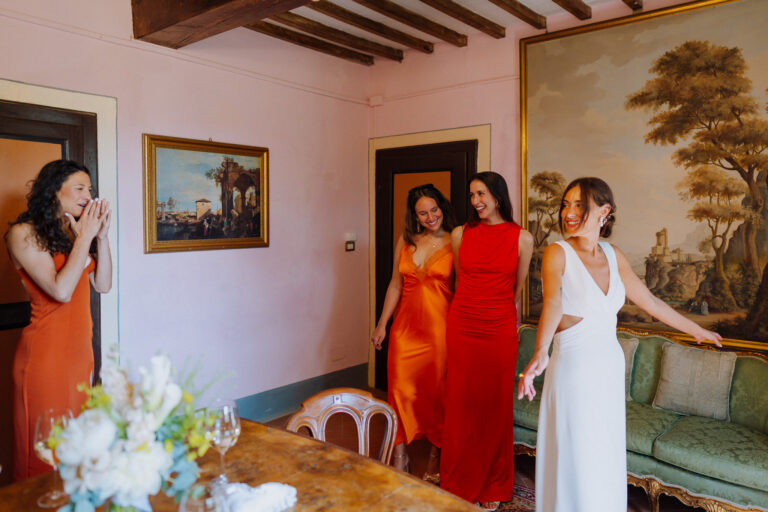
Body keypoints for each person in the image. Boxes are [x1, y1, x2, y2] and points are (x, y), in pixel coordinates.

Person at [518, 177, 722, 512]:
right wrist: (540, 352)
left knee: (602, 451)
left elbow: (651, 303)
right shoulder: (558, 253)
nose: (568, 212)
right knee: (575, 451)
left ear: (604, 211)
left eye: (579, 205)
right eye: (565, 205)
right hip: (573, 368)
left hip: (608, 367)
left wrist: (694, 329)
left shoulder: (614, 255)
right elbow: (552, 304)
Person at [6, 160, 112, 481]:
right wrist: (84, 238)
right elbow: (61, 290)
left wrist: (101, 238)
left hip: (81, 355)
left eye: (89, 189)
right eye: (79, 188)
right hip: (44, 358)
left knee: (77, 448)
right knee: (43, 452)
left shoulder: (73, 232)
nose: (87, 195)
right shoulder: (22, 233)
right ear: (54, 190)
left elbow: (103, 285)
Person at [440, 171, 534, 510]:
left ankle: (493, 484)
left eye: (481, 194)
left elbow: (516, 290)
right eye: (472, 195)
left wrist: (500, 316)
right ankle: (457, 481)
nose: (476, 201)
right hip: (463, 324)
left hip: (498, 327)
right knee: (462, 405)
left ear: (497, 195)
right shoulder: (460, 234)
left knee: (494, 407)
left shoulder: (522, 238)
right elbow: (460, 281)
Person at [371, 184, 456, 479]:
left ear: (442, 208)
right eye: (423, 213)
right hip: (404, 330)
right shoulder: (405, 241)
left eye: (434, 210)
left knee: (437, 394)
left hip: (439, 332)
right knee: (398, 392)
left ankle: (435, 456)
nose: (431, 216)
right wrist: (383, 324)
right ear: (415, 216)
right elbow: (395, 284)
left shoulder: (455, 240)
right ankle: (400, 455)